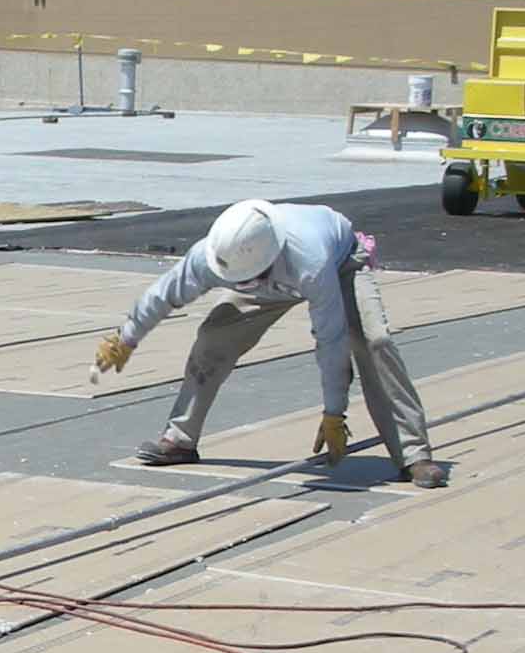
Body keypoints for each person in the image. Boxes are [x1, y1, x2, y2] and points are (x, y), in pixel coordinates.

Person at [94, 198, 449, 486]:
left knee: (375, 342)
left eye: (250, 280)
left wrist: (333, 413)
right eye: (238, 281)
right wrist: (126, 339)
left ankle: (413, 455)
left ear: (268, 261)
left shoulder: (311, 261)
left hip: (342, 265)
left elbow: (330, 338)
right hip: (273, 277)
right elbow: (162, 295)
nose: (244, 287)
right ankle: (180, 440)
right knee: (213, 337)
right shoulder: (215, 254)